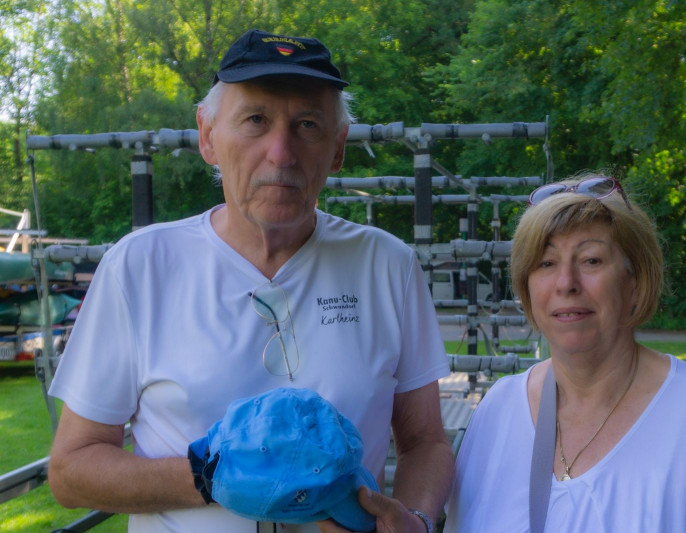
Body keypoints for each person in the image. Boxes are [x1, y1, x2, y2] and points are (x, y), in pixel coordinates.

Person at [47, 29, 454, 533]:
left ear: (338, 148)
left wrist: (415, 518)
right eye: (255, 120)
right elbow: (71, 470)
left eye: (307, 124)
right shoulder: (141, 266)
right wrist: (210, 475)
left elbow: (426, 442)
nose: (281, 153)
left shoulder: (387, 266)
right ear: (207, 135)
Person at [444, 174, 686, 532]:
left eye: (591, 260)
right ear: (526, 287)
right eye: (546, 263)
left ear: (635, 282)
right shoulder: (498, 411)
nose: (566, 282)